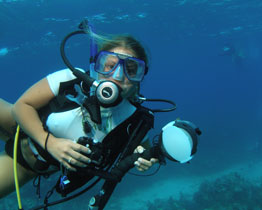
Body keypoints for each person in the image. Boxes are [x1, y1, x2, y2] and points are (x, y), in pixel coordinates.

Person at [0, 34, 158, 199]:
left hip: (25, 164)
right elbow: (20, 107)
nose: (117, 76)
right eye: (110, 65)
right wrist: (51, 143)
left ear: (139, 78)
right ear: (97, 65)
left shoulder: (134, 121)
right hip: (13, 122)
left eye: (131, 70)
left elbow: (142, 151)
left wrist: (144, 160)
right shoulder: (71, 79)